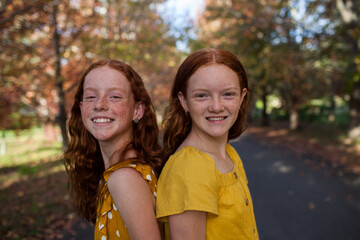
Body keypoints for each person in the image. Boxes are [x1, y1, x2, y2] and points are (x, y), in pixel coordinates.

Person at [156, 48, 259, 240]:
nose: (216, 106)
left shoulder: (230, 153)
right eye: (202, 96)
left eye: (228, 94)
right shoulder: (190, 167)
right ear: (184, 101)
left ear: (242, 98)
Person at [63, 59, 164, 240]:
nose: (99, 104)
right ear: (81, 108)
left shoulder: (124, 178)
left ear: (137, 110)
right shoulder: (123, 170)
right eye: (91, 97)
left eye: (115, 96)